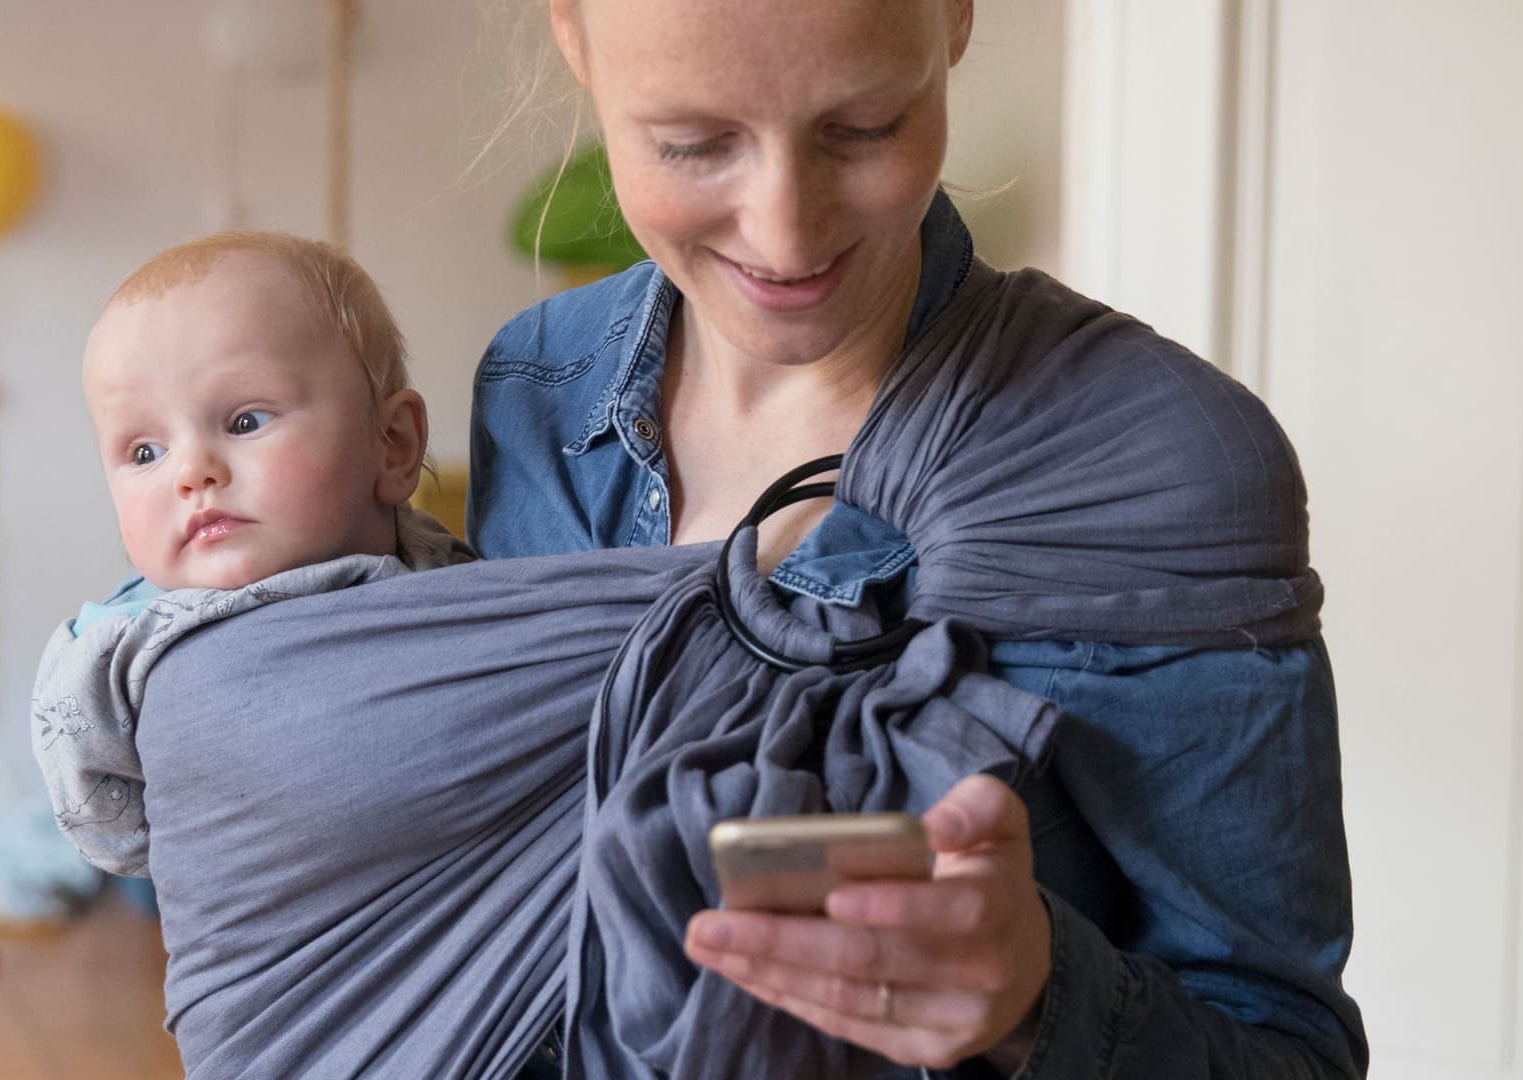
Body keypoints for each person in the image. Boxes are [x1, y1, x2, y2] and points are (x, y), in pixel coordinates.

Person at [469, 1, 1368, 1075]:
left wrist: (1039, 1001)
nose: (785, 232)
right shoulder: (533, 397)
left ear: (954, 17)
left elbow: (1291, 1054)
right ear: (571, 34)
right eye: (693, 144)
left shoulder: (1160, 463)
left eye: (865, 127)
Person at [31, 231, 467, 877]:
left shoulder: (447, 571)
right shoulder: (116, 646)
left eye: (244, 422)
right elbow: (110, 830)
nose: (192, 471)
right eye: (145, 453)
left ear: (393, 444)